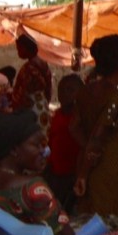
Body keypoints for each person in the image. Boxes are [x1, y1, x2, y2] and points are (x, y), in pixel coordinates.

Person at [72, 34, 118, 220]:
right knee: (109, 221)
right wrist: (84, 172)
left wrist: (86, 151)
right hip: (108, 168)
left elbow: (73, 127)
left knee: (89, 220)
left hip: (87, 161)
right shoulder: (114, 97)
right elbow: (100, 136)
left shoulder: (85, 92)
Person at [44, 73, 83, 215]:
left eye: (70, 90)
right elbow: (52, 142)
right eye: (61, 90)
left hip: (74, 174)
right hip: (56, 174)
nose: (64, 94)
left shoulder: (82, 118)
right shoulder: (57, 116)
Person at [9, 34, 53, 138]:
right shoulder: (44, 65)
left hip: (30, 109)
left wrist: (14, 103)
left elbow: (23, 93)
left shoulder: (28, 69)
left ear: (26, 48)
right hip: (43, 107)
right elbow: (49, 89)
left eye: (19, 49)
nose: (18, 52)